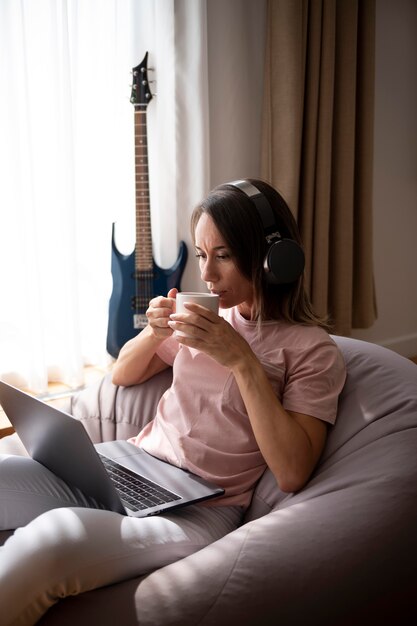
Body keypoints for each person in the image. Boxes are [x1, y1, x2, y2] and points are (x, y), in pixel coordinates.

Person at [0, 179, 346, 624]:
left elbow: (293, 471)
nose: (207, 275)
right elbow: (123, 374)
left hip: (198, 511)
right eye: (203, 256)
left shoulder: (312, 350)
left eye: (223, 255)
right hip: (128, 470)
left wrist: (242, 362)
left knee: (50, 540)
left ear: (272, 257)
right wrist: (154, 332)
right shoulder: (204, 318)